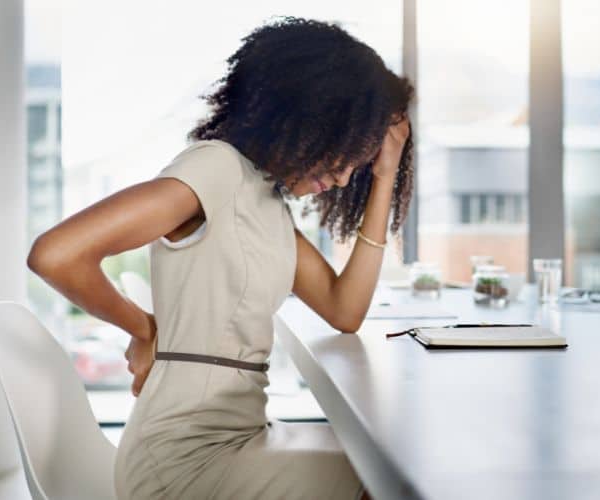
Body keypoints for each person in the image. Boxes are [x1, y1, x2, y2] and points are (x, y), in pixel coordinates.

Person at [27, 16, 413, 500]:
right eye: (344, 155)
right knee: (385, 482)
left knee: (381, 464)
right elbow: (56, 254)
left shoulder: (264, 201)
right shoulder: (216, 169)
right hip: (183, 463)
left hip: (240, 439)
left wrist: (384, 176)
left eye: (356, 163)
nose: (341, 179)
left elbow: (344, 309)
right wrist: (144, 328)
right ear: (307, 119)